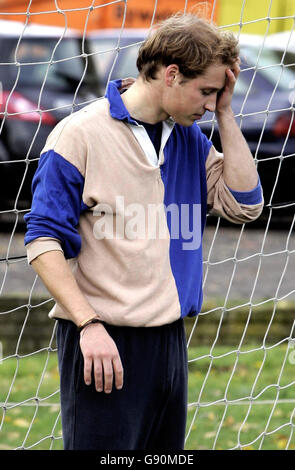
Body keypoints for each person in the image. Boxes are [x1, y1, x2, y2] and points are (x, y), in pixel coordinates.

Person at [24, 13, 263, 451]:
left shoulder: (190, 139)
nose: (210, 103)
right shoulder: (79, 135)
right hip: (102, 341)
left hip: (169, 338)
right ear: (171, 74)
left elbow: (245, 205)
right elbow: (42, 241)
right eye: (206, 91)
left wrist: (226, 114)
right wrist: (88, 325)